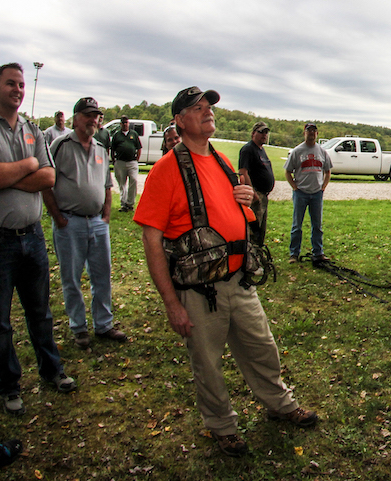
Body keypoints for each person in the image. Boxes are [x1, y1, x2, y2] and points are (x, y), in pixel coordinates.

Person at [134, 86, 318, 458]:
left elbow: (238, 214)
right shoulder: (167, 169)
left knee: (262, 347)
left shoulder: (219, 160)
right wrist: (172, 303)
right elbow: (152, 240)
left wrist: (247, 200)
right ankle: (222, 426)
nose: (207, 112)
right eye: (196, 108)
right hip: (200, 291)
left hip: (239, 279)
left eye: (208, 107)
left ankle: (280, 405)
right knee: (208, 363)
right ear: (179, 121)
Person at [0, 63, 76, 417]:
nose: (18, 89)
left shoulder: (34, 129)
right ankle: (8, 386)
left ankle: (52, 370)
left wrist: (12, 173)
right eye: (10, 84)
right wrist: (28, 164)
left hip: (32, 237)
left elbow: (48, 177)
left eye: (21, 84)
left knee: (40, 313)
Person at [42, 97, 128, 350]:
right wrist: (58, 218)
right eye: (88, 115)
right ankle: (78, 327)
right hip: (70, 223)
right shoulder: (60, 145)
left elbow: (106, 186)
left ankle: (103, 324)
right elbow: (46, 183)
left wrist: (107, 216)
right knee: (71, 277)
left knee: (101, 276)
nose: (93, 120)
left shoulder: (101, 149)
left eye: (96, 115)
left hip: (98, 224)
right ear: (76, 118)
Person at [285, 123, 332, 264]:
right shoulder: (297, 151)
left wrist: (323, 187)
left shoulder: (322, 152)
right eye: (308, 131)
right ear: (304, 133)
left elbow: (328, 171)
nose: (311, 133)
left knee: (317, 225)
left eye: (314, 131)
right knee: (296, 225)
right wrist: (294, 187)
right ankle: (294, 254)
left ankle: (318, 252)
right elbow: (288, 171)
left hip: (316, 193)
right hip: (301, 193)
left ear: (317, 134)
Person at [238, 122, 275, 247]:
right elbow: (243, 172)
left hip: (263, 195)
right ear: (253, 133)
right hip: (256, 195)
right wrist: (252, 192)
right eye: (261, 132)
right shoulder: (248, 149)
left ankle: (258, 254)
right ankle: (251, 255)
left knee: (261, 229)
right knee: (253, 229)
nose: (264, 135)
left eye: (266, 132)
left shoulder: (261, 149)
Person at [110, 115, 142, 212]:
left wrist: (137, 159)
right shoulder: (117, 135)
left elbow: (139, 147)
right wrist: (113, 160)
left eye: (126, 122)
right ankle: (123, 204)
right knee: (122, 184)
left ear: (128, 123)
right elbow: (112, 149)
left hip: (132, 162)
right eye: (123, 122)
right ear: (120, 124)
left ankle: (130, 203)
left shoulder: (134, 134)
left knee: (134, 180)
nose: (124, 124)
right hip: (120, 162)